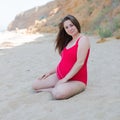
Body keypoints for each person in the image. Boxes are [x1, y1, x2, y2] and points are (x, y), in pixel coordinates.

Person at [32, 15, 90, 100]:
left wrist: (65, 79)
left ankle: (51, 89)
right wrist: (50, 72)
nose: (70, 29)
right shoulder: (69, 41)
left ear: (76, 24)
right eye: (66, 27)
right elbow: (65, 62)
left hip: (77, 80)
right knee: (35, 84)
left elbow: (80, 62)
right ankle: (55, 87)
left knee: (58, 93)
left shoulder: (83, 39)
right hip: (60, 76)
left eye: (71, 25)